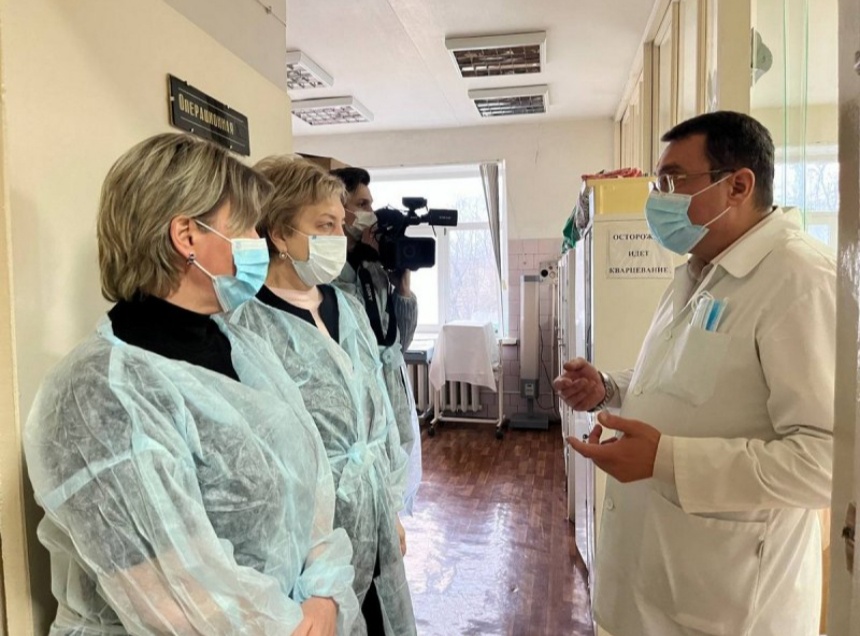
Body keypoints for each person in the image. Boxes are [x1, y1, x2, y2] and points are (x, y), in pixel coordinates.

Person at [24, 133, 358, 636]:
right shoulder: (100, 393)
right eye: (244, 227)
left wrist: (324, 591)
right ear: (186, 236)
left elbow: (308, 489)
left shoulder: (240, 343)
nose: (258, 242)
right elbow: (174, 598)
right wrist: (293, 625)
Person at [554, 111, 835, 636]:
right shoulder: (695, 271)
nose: (657, 199)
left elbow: (829, 460)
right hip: (654, 583)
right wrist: (608, 388)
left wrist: (668, 461)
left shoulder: (800, 278)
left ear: (738, 186)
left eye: (673, 180)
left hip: (728, 603)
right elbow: (676, 381)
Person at [230, 156, 417, 636]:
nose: (339, 236)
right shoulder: (246, 324)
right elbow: (259, 456)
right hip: (305, 546)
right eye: (325, 225)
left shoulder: (346, 307)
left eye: (340, 224)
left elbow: (378, 416)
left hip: (373, 521)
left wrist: (389, 508)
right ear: (280, 233)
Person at [331, 167, 422, 515]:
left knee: (395, 477)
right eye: (362, 204)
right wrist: (361, 263)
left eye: (371, 202)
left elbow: (399, 343)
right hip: (360, 396)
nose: (371, 211)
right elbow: (352, 337)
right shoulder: (330, 272)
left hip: (392, 388)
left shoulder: (372, 266)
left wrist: (402, 286)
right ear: (339, 208)